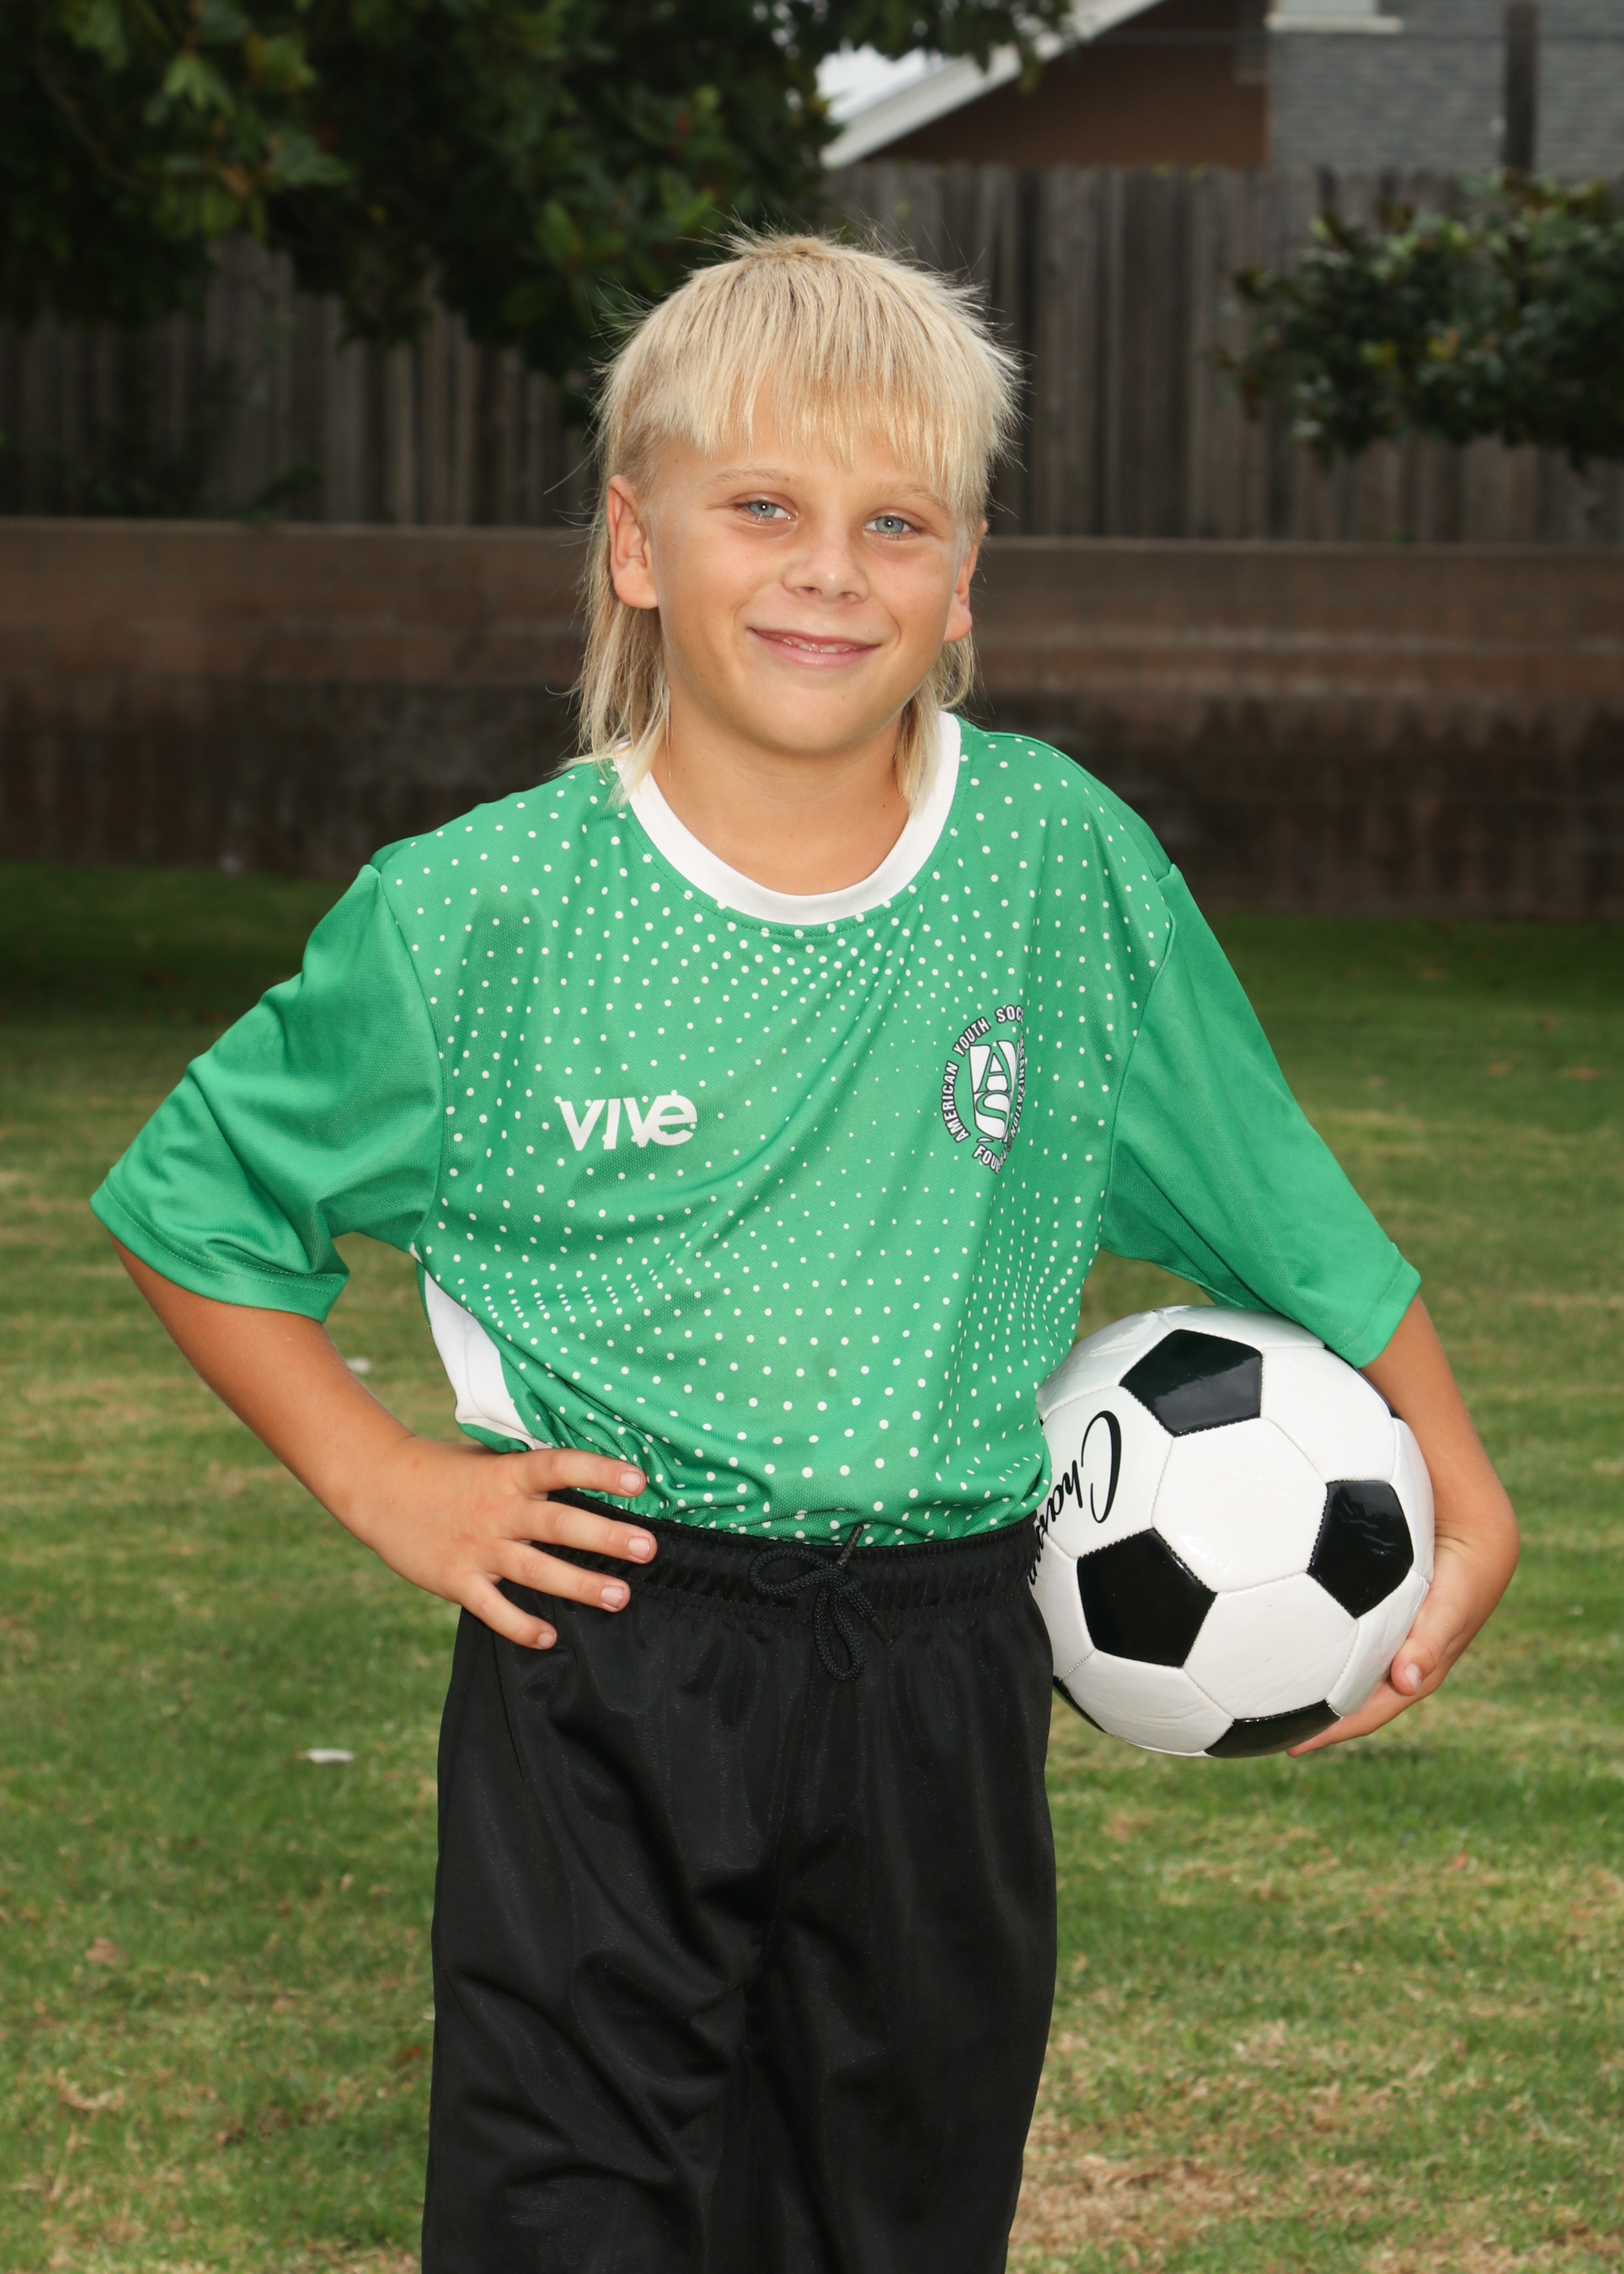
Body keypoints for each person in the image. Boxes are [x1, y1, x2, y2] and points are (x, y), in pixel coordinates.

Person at [91, 233, 1518, 2273]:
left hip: (949, 1670)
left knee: (890, 2223)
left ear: (966, 575)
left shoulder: (1053, 863)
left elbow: (1267, 1187)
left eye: (894, 523)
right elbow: (195, 1201)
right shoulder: (482, 913)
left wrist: (1452, 1466)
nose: (828, 570)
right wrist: (384, 1474)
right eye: (762, 505)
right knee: (566, 2222)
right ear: (636, 541)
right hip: (611, 1652)